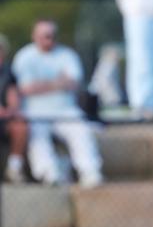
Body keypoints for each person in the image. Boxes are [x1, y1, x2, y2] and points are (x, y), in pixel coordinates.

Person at [12, 20, 103, 188]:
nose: (48, 40)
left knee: (81, 132)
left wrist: (40, 85)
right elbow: (24, 89)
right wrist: (58, 83)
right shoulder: (24, 57)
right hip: (35, 111)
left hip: (66, 111)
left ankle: (90, 172)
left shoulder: (67, 55)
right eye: (44, 36)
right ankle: (49, 174)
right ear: (34, 36)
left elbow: (74, 83)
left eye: (51, 36)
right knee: (37, 137)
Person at [0, 34, 28, 183]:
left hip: (4, 120)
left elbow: (13, 100)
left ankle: (14, 168)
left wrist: (9, 110)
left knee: (20, 127)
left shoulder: (8, 73)